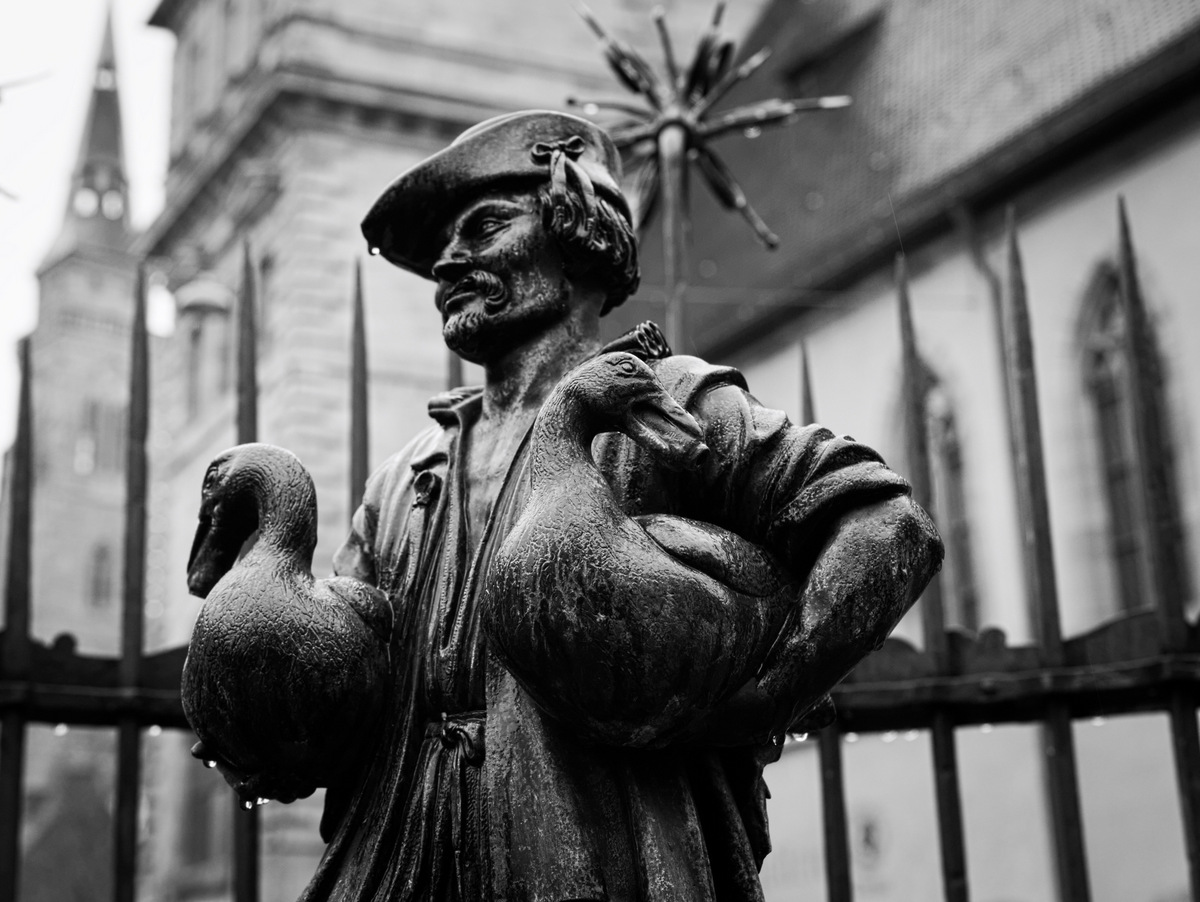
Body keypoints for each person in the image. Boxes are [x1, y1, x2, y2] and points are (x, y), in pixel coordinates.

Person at [295, 110, 941, 901]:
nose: (448, 263)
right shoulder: (401, 480)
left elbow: (887, 529)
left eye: (484, 227)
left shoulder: (669, 402)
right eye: (440, 250)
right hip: (396, 861)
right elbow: (339, 704)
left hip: (601, 860)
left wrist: (761, 697)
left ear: (577, 229)